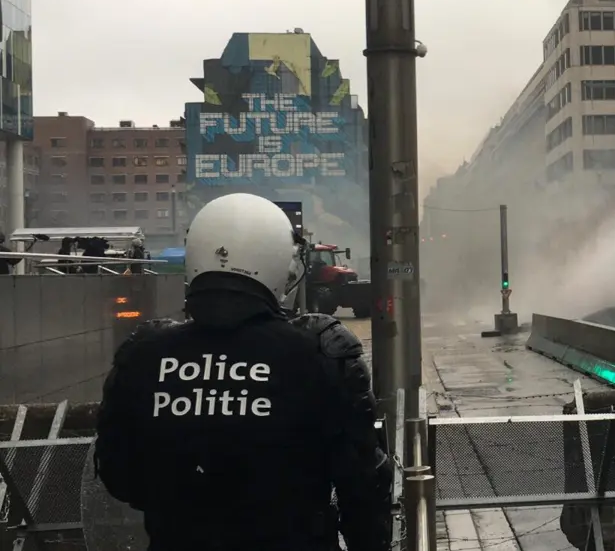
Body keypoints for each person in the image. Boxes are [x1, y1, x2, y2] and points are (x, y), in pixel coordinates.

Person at [94, 192, 393, 551]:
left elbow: (118, 476)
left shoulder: (144, 353)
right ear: (279, 263)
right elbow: (363, 486)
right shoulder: (320, 351)